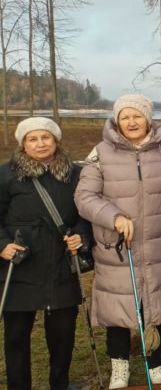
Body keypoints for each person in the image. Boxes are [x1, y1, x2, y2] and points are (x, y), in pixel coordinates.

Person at [75, 94, 161, 388]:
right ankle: (120, 367)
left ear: (148, 118)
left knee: (154, 306)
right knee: (118, 310)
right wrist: (113, 217)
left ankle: (155, 363)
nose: (131, 122)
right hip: (117, 246)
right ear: (116, 120)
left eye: (137, 116)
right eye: (125, 117)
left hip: (157, 244)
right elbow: (84, 197)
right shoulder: (100, 153)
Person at [0, 118, 88, 390]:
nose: (40, 144)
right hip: (20, 265)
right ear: (23, 143)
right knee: (16, 336)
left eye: (46, 137)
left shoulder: (76, 174)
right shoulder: (6, 174)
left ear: (56, 140)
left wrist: (81, 236)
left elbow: (87, 212)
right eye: (32, 139)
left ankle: (59, 384)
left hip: (60, 265)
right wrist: (1, 244)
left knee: (63, 336)